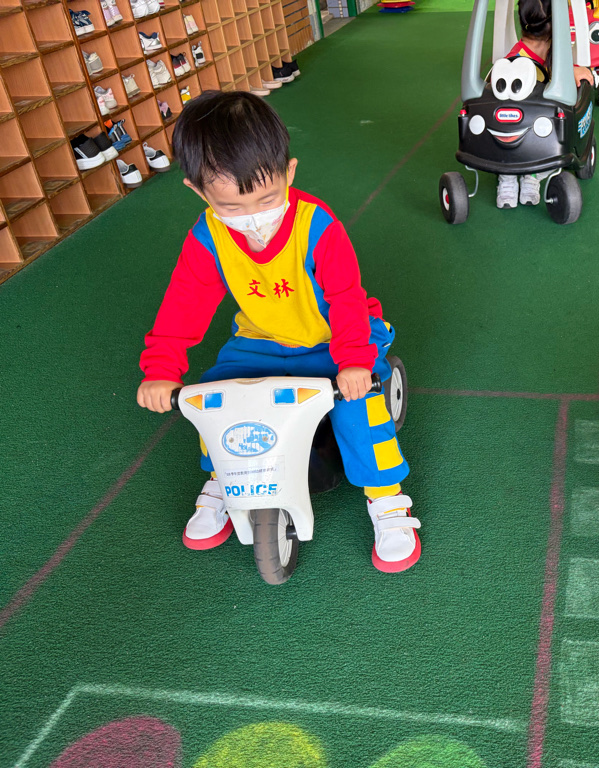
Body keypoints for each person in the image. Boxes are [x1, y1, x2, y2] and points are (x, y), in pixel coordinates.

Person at [136, 91, 421, 573]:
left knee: (359, 407)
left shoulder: (318, 227)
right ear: (199, 192)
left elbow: (346, 298)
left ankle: (387, 498)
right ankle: (222, 479)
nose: (253, 216)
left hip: (332, 340)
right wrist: (162, 369)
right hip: (259, 341)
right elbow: (183, 304)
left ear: (289, 173)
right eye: (232, 205)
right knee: (213, 396)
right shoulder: (208, 235)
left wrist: (354, 361)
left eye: (267, 199)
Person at [495, 0, 595, 209]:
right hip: (514, 131)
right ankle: (508, 178)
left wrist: (571, 70)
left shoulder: (550, 53)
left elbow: (554, 69)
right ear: (556, 24)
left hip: (539, 132)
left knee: (551, 140)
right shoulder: (514, 62)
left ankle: (531, 176)